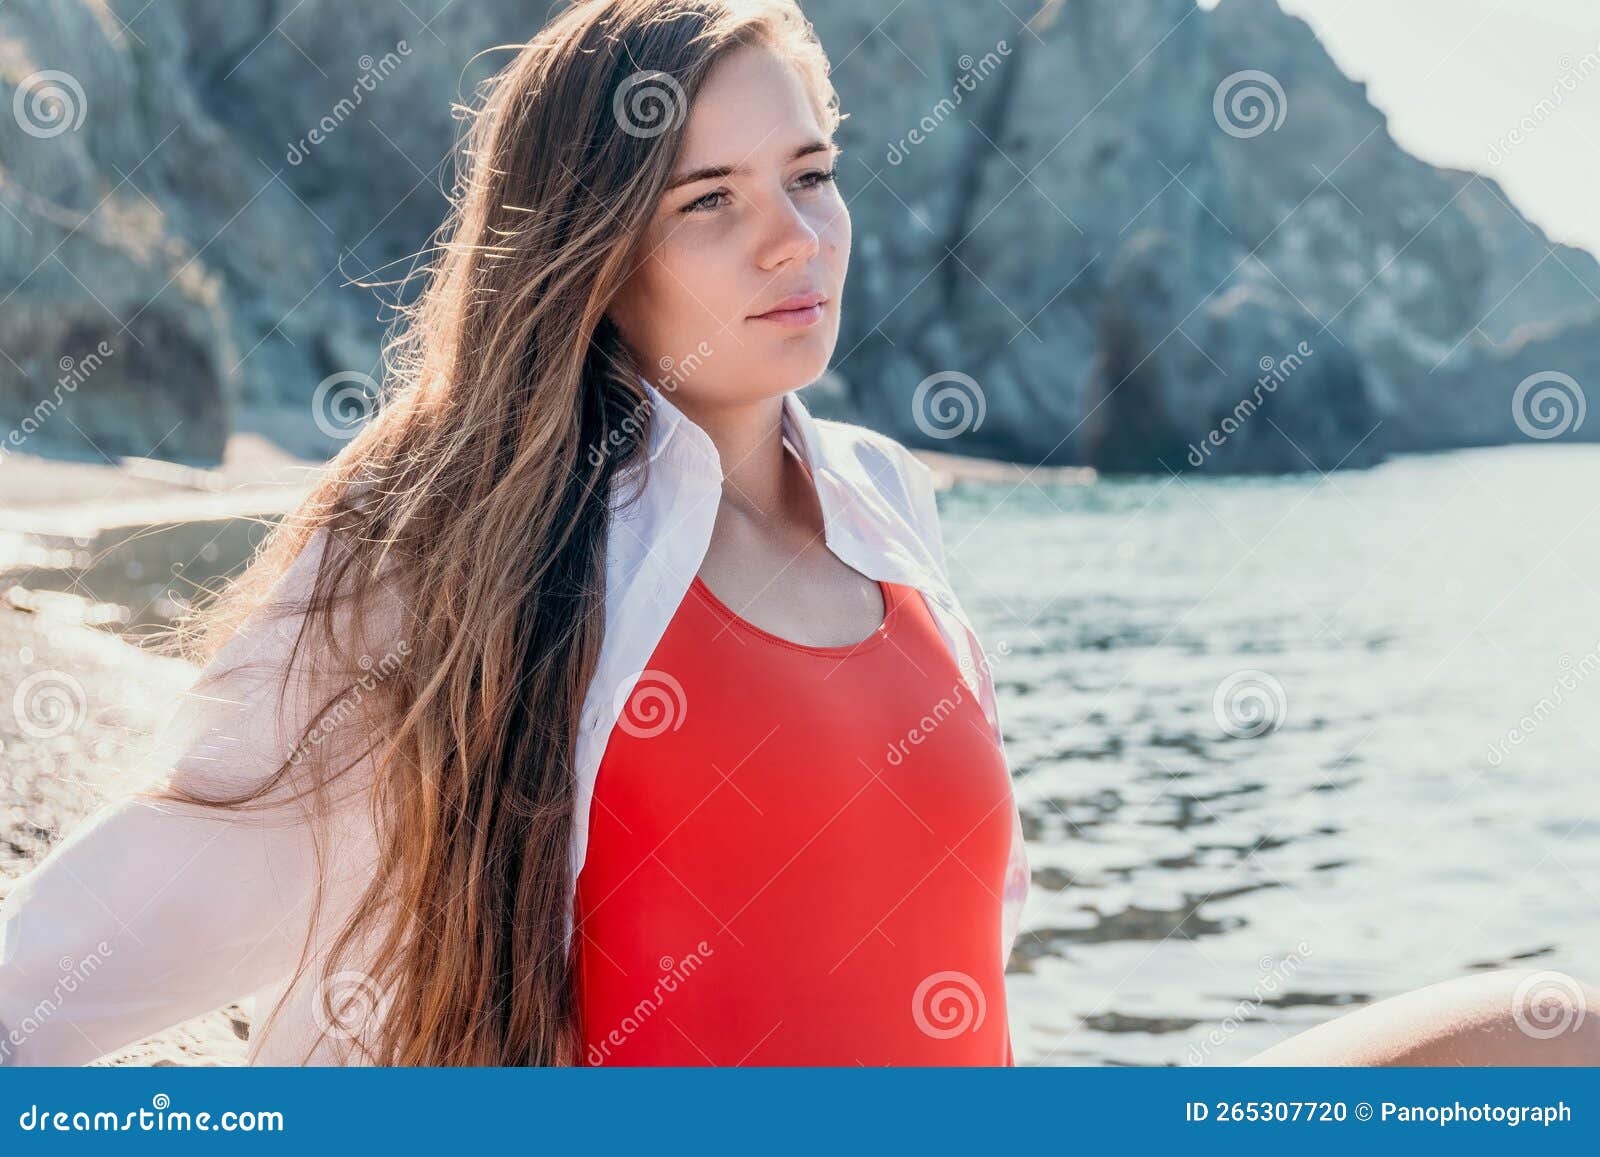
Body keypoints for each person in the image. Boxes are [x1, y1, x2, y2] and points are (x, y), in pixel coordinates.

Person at [0, 0, 1594, 1068]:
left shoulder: (892, 505)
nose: (793, 236)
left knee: (1556, 1030)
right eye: (708, 202)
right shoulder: (443, 546)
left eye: (811, 175)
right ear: (592, 256)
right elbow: (113, 926)